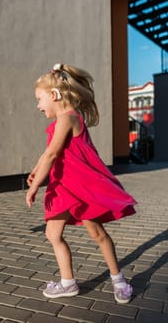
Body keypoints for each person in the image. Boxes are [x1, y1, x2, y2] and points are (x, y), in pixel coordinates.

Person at [26, 63, 137, 304]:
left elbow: (53, 154)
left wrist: (35, 186)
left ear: (54, 95)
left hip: (80, 189)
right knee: (52, 234)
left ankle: (118, 279)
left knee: (97, 234)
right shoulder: (60, 122)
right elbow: (48, 154)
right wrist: (35, 171)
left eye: (39, 99)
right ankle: (68, 283)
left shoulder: (69, 118)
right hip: (63, 188)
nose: (38, 105)